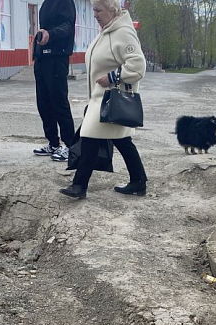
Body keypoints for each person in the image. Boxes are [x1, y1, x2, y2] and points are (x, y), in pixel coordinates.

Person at [59, 0, 147, 199]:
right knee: (123, 141)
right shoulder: (107, 30)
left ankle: (79, 185)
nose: (95, 15)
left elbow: (137, 67)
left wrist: (112, 77)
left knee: (89, 137)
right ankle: (138, 181)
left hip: (110, 98)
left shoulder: (123, 32)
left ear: (112, 9)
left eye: (98, 10)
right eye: (94, 10)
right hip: (101, 98)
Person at [32, 0, 77, 162]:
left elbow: (67, 26)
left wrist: (51, 34)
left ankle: (70, 145)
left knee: (59, 102)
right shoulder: (46, 3)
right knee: (43, 102)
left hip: (57, 58)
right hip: (42, 57)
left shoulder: (65, 2)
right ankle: (53, 142)